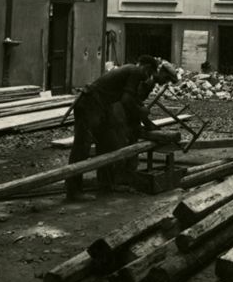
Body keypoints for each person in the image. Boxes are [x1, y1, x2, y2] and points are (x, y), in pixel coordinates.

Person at [65, 56, 177, 199]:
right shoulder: (135, 71)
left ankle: (105, 183)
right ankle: (73, 191)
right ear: (147, 68)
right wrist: (141, 113)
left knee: (107, 143)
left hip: (101, 107)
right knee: (82, 146)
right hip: (89, 104)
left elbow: (133, 99)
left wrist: (147, 122)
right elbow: (127, 100)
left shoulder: (135, 72)